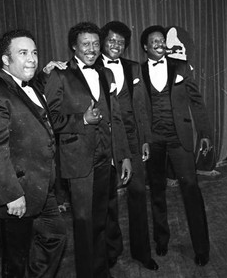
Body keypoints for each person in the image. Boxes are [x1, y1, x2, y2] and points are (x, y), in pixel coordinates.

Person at [0, 29, 66, 277]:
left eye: (34, 52)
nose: (32, 58)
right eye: (23, 53)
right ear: (5, 59)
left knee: (55, 236)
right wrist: (12, 196)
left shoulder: (29, 88)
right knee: (15, 262)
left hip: (41, 188)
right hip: (16, 194)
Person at [45, 21, 132, 278]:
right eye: (86, 44)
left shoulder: (106, 74)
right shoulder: (58, 75)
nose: (92, 49)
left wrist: (124, 155)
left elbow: (115, 118)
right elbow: (49, 119)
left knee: (101, 219)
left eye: (96, 44)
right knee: (84, 224)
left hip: (106, 158)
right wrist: (81, 120)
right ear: (74, 46)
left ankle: (101, 270)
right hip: (79, 161)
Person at [139, 25, 212, 267]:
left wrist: (205, 133)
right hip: (153, 141)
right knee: (157, 192)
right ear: (145, 47)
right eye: (154, 41)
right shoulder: (137, 71)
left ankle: (201, 247)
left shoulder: (180, 67)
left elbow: (197, 102)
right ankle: (161, 240)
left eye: (162, 40)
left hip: (180, 139)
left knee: (191, 189)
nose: (160, 44)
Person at [96, 21, 158, 271]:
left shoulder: (133, 68)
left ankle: (142, 252)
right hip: (106, 142)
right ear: (102, 41)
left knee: (138, 195)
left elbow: (141, 106)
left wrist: (144, 139)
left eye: (121, 42)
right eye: (111, 40)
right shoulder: (91, 67)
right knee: (109, 200)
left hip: (133, 139)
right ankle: (112, 251)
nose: (116, 46)